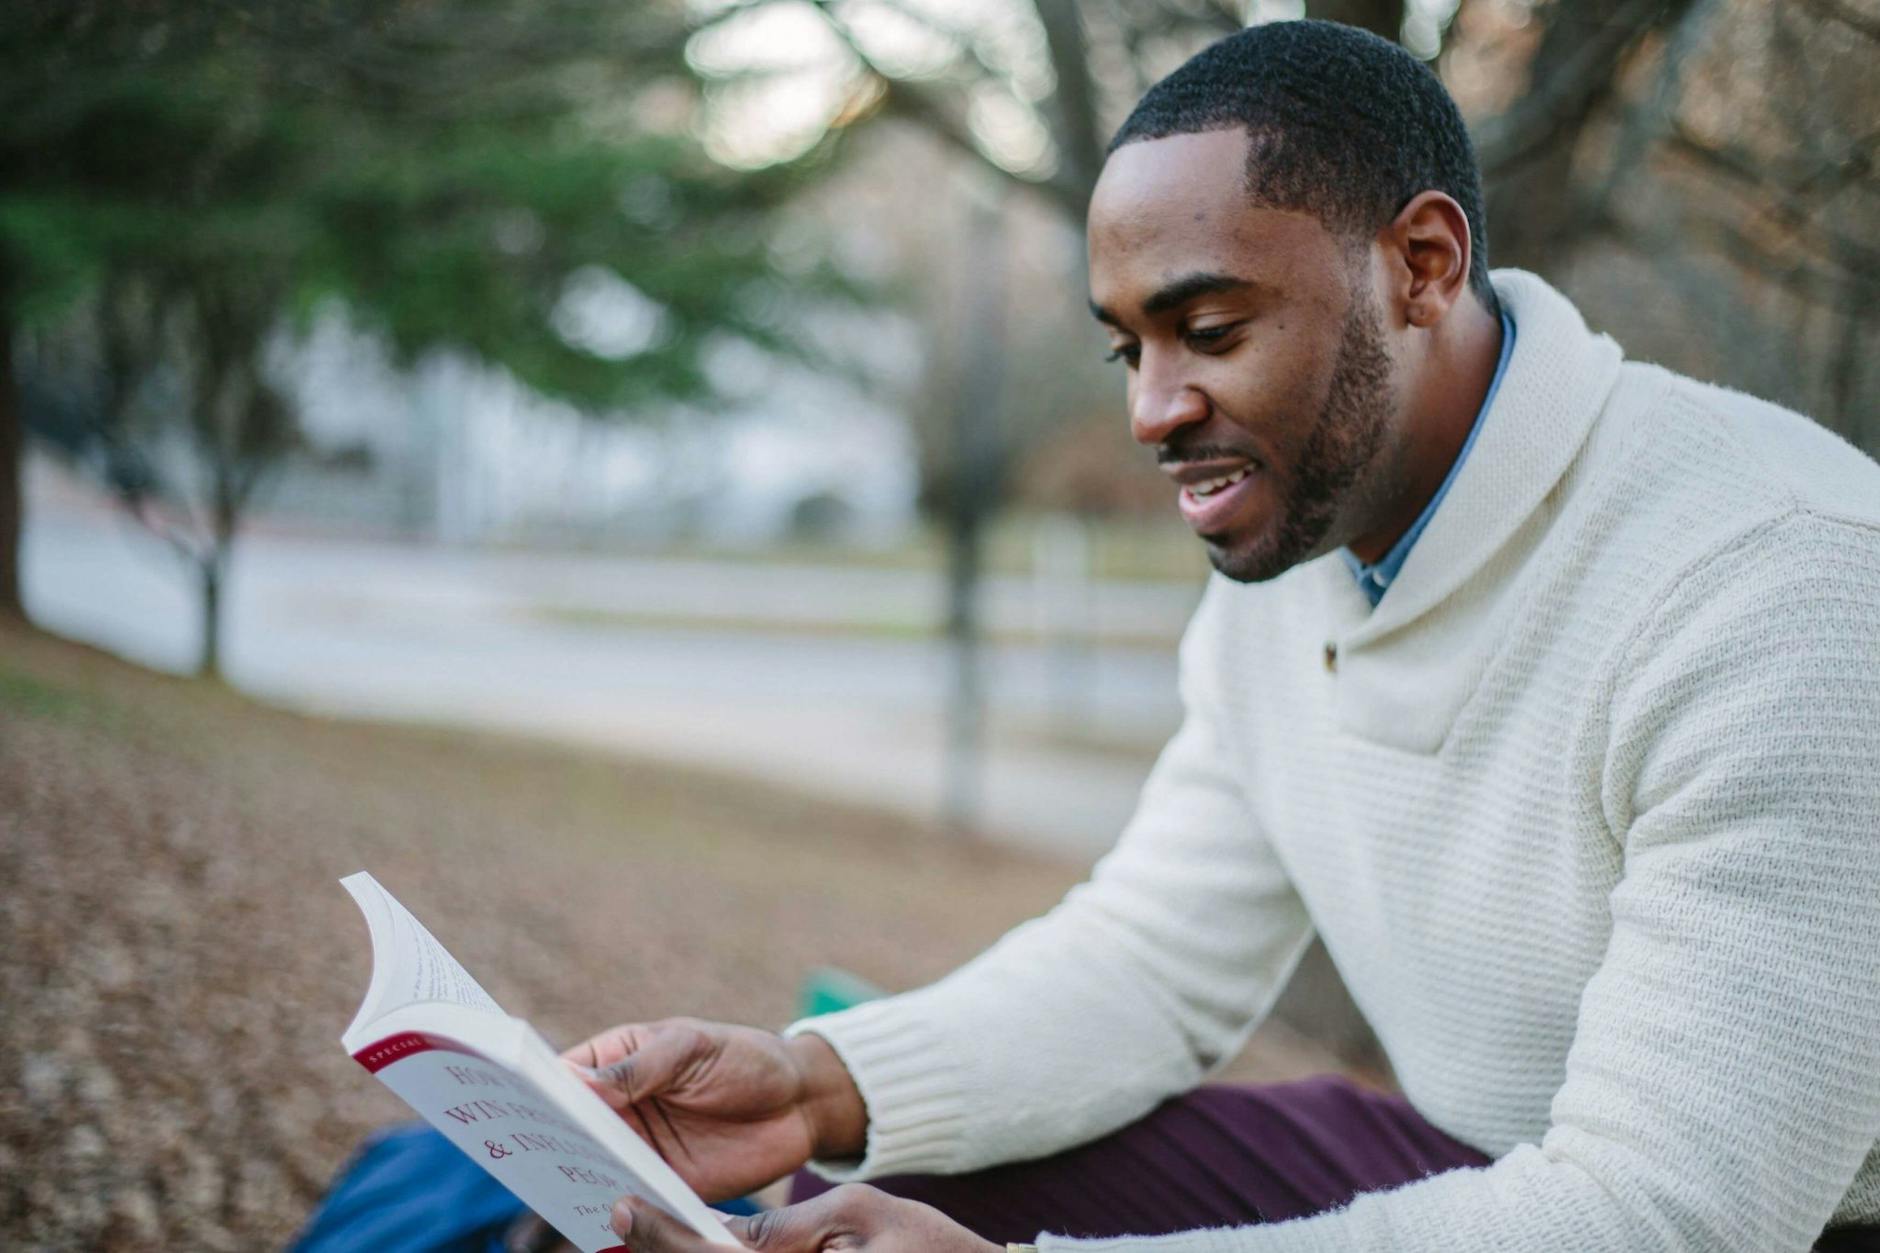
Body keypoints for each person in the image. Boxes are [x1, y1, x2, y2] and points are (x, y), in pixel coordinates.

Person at [564, 19, 1880, 1253]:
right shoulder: (1305, 552)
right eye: (1126, 348)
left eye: (1207, 330)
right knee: (887, 1189)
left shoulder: (1775, 585)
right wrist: (814, 1084)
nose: (1151, 408)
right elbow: (1151, 961)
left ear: (1422, 264)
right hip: (1484, 1156)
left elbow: (1664, 1219)